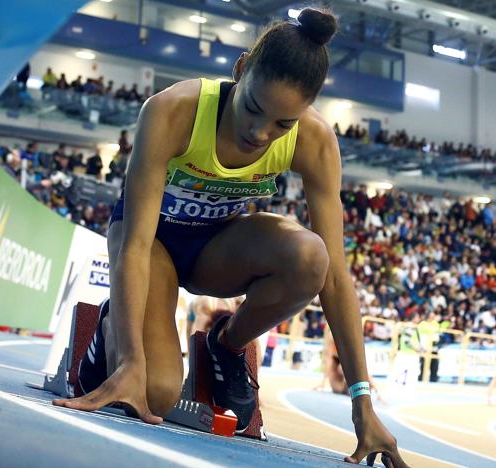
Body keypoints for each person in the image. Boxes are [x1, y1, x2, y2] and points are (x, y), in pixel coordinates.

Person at [53, 8, 407, 466]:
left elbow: (336, 278)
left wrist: (363, 402)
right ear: (240, 70)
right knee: (155, 393)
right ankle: (109, 327)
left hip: (214, 250)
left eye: (283, 125)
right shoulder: (172, 111)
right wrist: (131, 362)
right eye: (253, 108)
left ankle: (225, 346)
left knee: (311, 257)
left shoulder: (315, 140)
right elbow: (137, 244)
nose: (260, 133)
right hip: (150, 244)